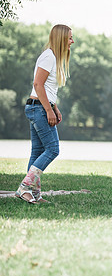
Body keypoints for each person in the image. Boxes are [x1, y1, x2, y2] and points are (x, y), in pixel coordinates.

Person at [15, 24, 74, 204]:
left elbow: (47, 88)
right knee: (53, 149)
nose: (72, 41)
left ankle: (33, 194)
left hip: (39, 106)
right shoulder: (48, 56)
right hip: (38, 108)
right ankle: (24, 188)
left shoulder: (53, 57)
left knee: (38, 151)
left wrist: (54, 107)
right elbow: (38, 85)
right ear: (61, 38)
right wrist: (48, 110)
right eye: (70, 38)